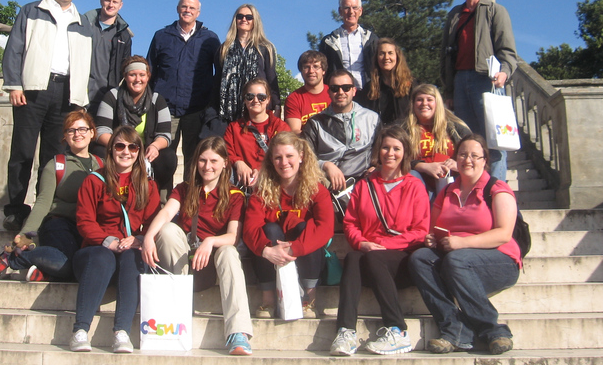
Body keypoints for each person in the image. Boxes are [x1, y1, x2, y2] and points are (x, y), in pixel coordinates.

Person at [409, 134, 521, 355]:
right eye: (462, 154)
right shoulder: (448, 191)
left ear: (484, 160)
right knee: (419, 259)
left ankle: (493, 330)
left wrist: (463, 242)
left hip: (499, 261)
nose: (467, 160)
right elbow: (433, 227)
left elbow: (503, 234)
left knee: (456, 260)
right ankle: (455, 328)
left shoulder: (497, 189)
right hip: (456, 259)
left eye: (474, 156)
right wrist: (431, 239)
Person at [142, 136, 253, 355]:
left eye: (213, 161)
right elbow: (166, 213)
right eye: (202, 160)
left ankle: (238, 332)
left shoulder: (235, 196)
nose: (207, 166)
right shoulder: (184, 189)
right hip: (185, 262)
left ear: (224, 163)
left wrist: (211, 241)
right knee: (167, 230)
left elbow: (233, 236)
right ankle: (178, 308)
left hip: (213, 264)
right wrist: (147, 237)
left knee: (229, 252)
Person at [1, 0, 93, 232]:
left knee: (53, 157)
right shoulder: (31, 11)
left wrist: (80, 97)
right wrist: (14, 85)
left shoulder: (82, 22)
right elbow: (14, 49)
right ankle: (16, 210)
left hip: (66, 94)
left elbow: (87, 63)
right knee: (22, 152)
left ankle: (44, 210)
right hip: (32, 89)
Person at [330, 126, 429, 356]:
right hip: (368, 253)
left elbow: (421, 230)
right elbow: (351, 223)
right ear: (378, 150)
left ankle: (398, 330)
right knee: (354, 257)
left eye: (396, 148)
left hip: (401, 257)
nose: (390, 153)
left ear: (405, 152)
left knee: (371, 257)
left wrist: (385, 247)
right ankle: (346, 331)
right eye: (385, 147)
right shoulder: (365, 185)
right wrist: (362, 243)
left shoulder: (414, 185)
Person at [0, 109, 102, 283]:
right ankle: (14, 258)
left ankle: (46, 272)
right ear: (65, 136)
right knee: (68, 265)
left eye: (82, 129)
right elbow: (43, 202)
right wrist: (24, 235)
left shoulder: (101, 165)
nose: (77, 134)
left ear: (92, 133)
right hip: (60, 224)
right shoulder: (56, 164)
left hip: (87, 227)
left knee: (86, 268)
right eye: (71, 130)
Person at [70, 126, 160, 353]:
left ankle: (122, 332)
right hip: (95, 253)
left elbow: (152, 222)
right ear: (111, 150)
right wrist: (106, 240)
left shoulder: (147, 184)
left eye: (132, 147)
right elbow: (84, 221)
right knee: (103, 257)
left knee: (133, 257)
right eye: (120, 146)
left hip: (127, 252)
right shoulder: (94, 180)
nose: (126, 151)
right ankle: (80, 330)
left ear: (139, 151)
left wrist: (140, 239)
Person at [242, 131, 335, 319]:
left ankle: (309, 299)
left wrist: (293, 250)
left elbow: (325, 228)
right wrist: (267, 251)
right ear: (271, 161)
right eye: (278, 157)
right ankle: (268, 300)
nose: (284, 163)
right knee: (269, 230)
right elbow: (250, 229)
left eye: (289, 156)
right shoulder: (262, 191)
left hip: (303, 253)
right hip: (271, 255)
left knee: (305, 228)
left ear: (301, 156)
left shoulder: (317, 190)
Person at [440, 0, 517, 181]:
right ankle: (472, 187)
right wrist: (449, 90)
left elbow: (508, 51)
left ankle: (495, 189)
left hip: (486, 81)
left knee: (493, 140)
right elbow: (445, 54)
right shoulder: (454, 15)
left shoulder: (495, 11)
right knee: (466, 141)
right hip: (459, 80)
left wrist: (505, 72)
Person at [147, 0, 220, 178]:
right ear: (178, 8)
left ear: (198, 12)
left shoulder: (210, 39)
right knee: (163, 159)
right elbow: (150, 70)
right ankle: (162, 203)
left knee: (195, 160)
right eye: (184, 6)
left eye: (192, 8)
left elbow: (219, 72)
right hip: (165, 109)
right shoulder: (161, 36)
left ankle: (189, 204)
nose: (187, 10)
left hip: (196, 110)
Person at [94, 56, 176, 191]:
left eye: (142, 75)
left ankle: (155, 193)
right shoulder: (112, 96)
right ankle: (109, 191)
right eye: (132, 75)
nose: (138, 79)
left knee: (168, 157)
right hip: (119, 148)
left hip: (146, 150)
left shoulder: (157, 100)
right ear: (125, 77)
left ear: (148, 77)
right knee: (99, 152)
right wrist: (123, 147)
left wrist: (155, 146)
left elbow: (165, 135)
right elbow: (101, 131)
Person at [302, 69, 380, 192]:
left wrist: (376, 166)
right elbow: (304, 156)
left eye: (346, 88)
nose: (340, 92)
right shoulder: (315, 122)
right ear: (328, 92)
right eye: (335, 88)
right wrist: (325, 165)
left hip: (364, 179)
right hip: (326, 181)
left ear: (354, 91)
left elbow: (382, 149)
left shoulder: (372, 118)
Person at [214, 4, 280, 123]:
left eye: (249, 17)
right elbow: (217, 80)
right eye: (240, 16)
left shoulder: (265, 48)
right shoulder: (224, 48)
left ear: (255, 21)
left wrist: (277, 105)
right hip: (229, 111)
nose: (244, 19)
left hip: (257, 107)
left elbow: (271, 78)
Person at [403, 84, 471, 199]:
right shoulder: (403, 129)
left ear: (437, 103)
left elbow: (476, 155)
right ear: (413, 104)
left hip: (452, 182)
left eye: (429, 100)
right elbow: (395, 158)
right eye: (419, 100)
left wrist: (459, 164)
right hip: (420, 184)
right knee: (412, 176)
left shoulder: (456, 128)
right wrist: (422, 166)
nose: (424, 103)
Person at [224, 78, 290, 189]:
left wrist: (264, 171)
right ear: (245, 100)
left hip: (272, 180)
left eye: (261, 97)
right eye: (250, 96)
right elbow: (225, 151)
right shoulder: (234, 128)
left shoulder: (280, 127)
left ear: (268, 100)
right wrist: (238, 162)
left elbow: (287, 156)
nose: (255, 100)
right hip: (241, 181)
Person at [83, 0, 133, 113]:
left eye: (115, 2)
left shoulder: (124, 35)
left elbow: (125, 68)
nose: (111, 4)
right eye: (107, 0)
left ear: (120, 5)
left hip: (106, 98)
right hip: (80, 94)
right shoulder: (83, 24)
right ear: (101, 1)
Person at [318, 0, 378, 89]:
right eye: (346, 8)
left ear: (360, 11)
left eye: (355, 8)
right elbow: (322, 71)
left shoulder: (372, 39)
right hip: (340, 94)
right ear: (340, 11)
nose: (351, 12)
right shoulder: (328, 42)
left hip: (367, 94)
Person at [355, 38, 414, 126]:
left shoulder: (411, 86)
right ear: (376, 58)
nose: (386, 57)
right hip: (379, 136)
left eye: (390, 53)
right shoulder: (369, 88)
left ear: (397, 56)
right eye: (382, 53)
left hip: (405, 136)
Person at [284, 50, 331, 134]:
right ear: (301, 71)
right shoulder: (294, 99)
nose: (311, 71)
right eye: (306, 67)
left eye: (316, 66)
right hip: (307, 145)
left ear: (323, 70)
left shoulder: (334, 93)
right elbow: (294, 132)